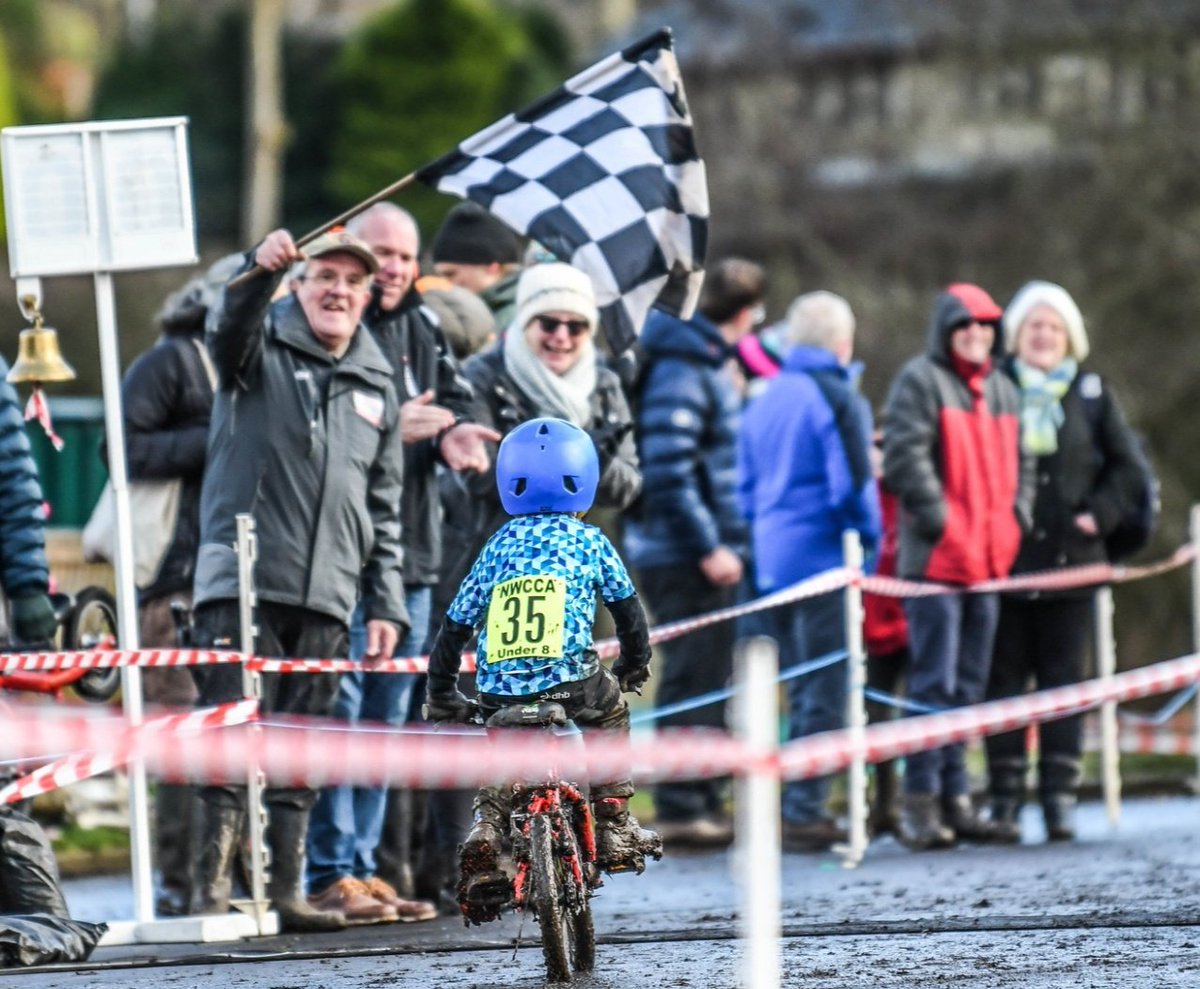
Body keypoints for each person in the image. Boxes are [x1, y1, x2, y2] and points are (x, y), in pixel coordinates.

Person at [189, 226, 409, 931]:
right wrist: (257, 271)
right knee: (228, 740)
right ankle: (207, 895)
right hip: (240, 581)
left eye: (352, 280)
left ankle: (284, 890)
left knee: (301, 747)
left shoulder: (378, 379)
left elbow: (384, 506)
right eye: (325, 277)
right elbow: (226, 329)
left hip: (328, 595)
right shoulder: (254, 349)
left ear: (369, 293)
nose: (338, 290)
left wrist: (387, 602)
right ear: (300, 286)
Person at [304, 204, 496, 924]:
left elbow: (456, 400)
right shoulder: (335, 329)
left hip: (415, 554)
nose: (392, 267)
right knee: (344, 710)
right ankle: (331, 868)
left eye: (405, 256)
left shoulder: (422, 327)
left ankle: (367, 868)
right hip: (344, 556)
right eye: (381, 252)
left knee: (388, 716)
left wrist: (453, 431)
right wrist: (395, 424)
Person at [424, 417, 661, 921]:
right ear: (585, 481)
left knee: (504, 752)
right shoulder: (591, 542)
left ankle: (487, 827)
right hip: (573, 681)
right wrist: (634, 665)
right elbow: (628, 612)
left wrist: (443, 692)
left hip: (499, 690)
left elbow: (453, 625)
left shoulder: (498, 545)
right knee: (611, 713)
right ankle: (614, 818)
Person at [985, 281, 1148, 843]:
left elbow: (1129, 470)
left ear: (1069, 336)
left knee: (1062, 685)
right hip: (1005, 565)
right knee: (1003, 682)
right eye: (1034, 326)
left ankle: (1058, 799)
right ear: (1016, 334)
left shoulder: (1092, 393)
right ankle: (1003, 799)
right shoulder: (994, 386)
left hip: (1074, 566)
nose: (1043, 335)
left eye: (1053, 327)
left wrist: (1097, 516)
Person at [882, 283, 1035, 851]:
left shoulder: (1003, 388)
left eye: (986, 325)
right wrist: (943, 521)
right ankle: (920, 804)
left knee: (970, 686)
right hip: (937, 565)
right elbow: (904, 458)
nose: (977, 334)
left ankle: (957, 798)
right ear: (946, 331)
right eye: (966, 325)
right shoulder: (920, 381)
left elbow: (1025, 467)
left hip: (990, 564)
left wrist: (1014, 522)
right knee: (933, 685)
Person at [623, 258, 764, 847]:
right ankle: (682, 801)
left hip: (694, 549)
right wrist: (710, 545)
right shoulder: (683, 369)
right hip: (680, 553)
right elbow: (669, 471)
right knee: (690, 677)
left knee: (710, 672)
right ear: (746, 315)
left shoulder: (701, 363)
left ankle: (702, 795)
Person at [116, 252, 240, 917]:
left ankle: (223, 873)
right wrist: (215, 437)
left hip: (237, 573)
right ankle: (176, 876)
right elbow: (121, 445)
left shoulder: (260, 362)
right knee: (177, 728)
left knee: (233, 728)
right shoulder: (171, 361)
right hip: (174, 576)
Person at [739, 291, 881, 851]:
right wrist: (870, 542)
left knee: (798, 688)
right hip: (824, 559)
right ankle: (802, 810)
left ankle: (789, 802)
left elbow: (744, 489)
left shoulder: (765, 397)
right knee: (825, 688)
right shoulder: (838, 394)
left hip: (773, 562)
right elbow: (853, 483)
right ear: (843, 344)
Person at [444, 262, 642, 615]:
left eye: (576, 326)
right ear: (524, 322)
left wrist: (598, 461)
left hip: (575, 573)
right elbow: (479, 478)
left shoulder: (604, 385)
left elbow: (627, 488)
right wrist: (567, 463)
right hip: (490, 565)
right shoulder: (483, 374)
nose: (561, 337)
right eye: (548, 323)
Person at [429, 202, 524, 331]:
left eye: (451, 274)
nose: (445, 284)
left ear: (492, 267)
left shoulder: (521, 318)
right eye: (440, 275)